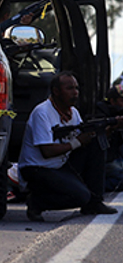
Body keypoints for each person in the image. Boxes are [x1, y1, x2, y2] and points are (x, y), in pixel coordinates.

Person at [18, 71, 118, 222]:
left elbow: (85, 140)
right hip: (38, 169)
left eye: (76, 88)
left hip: (60, 164)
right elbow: (47, 151)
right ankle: (36, 203)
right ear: (56, 91)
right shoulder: (42, 112)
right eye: (70, 88)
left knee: (97, 143)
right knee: (80, 196)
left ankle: (95, 202)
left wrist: (109, 129)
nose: (75, 93)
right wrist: (77, 142)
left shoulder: (73, 113)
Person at [95, 83, 123, 191]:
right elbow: (97, 138)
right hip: (106, 159)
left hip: (117, 155)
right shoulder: (101, 112)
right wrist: (114, 126)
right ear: (112, 101)